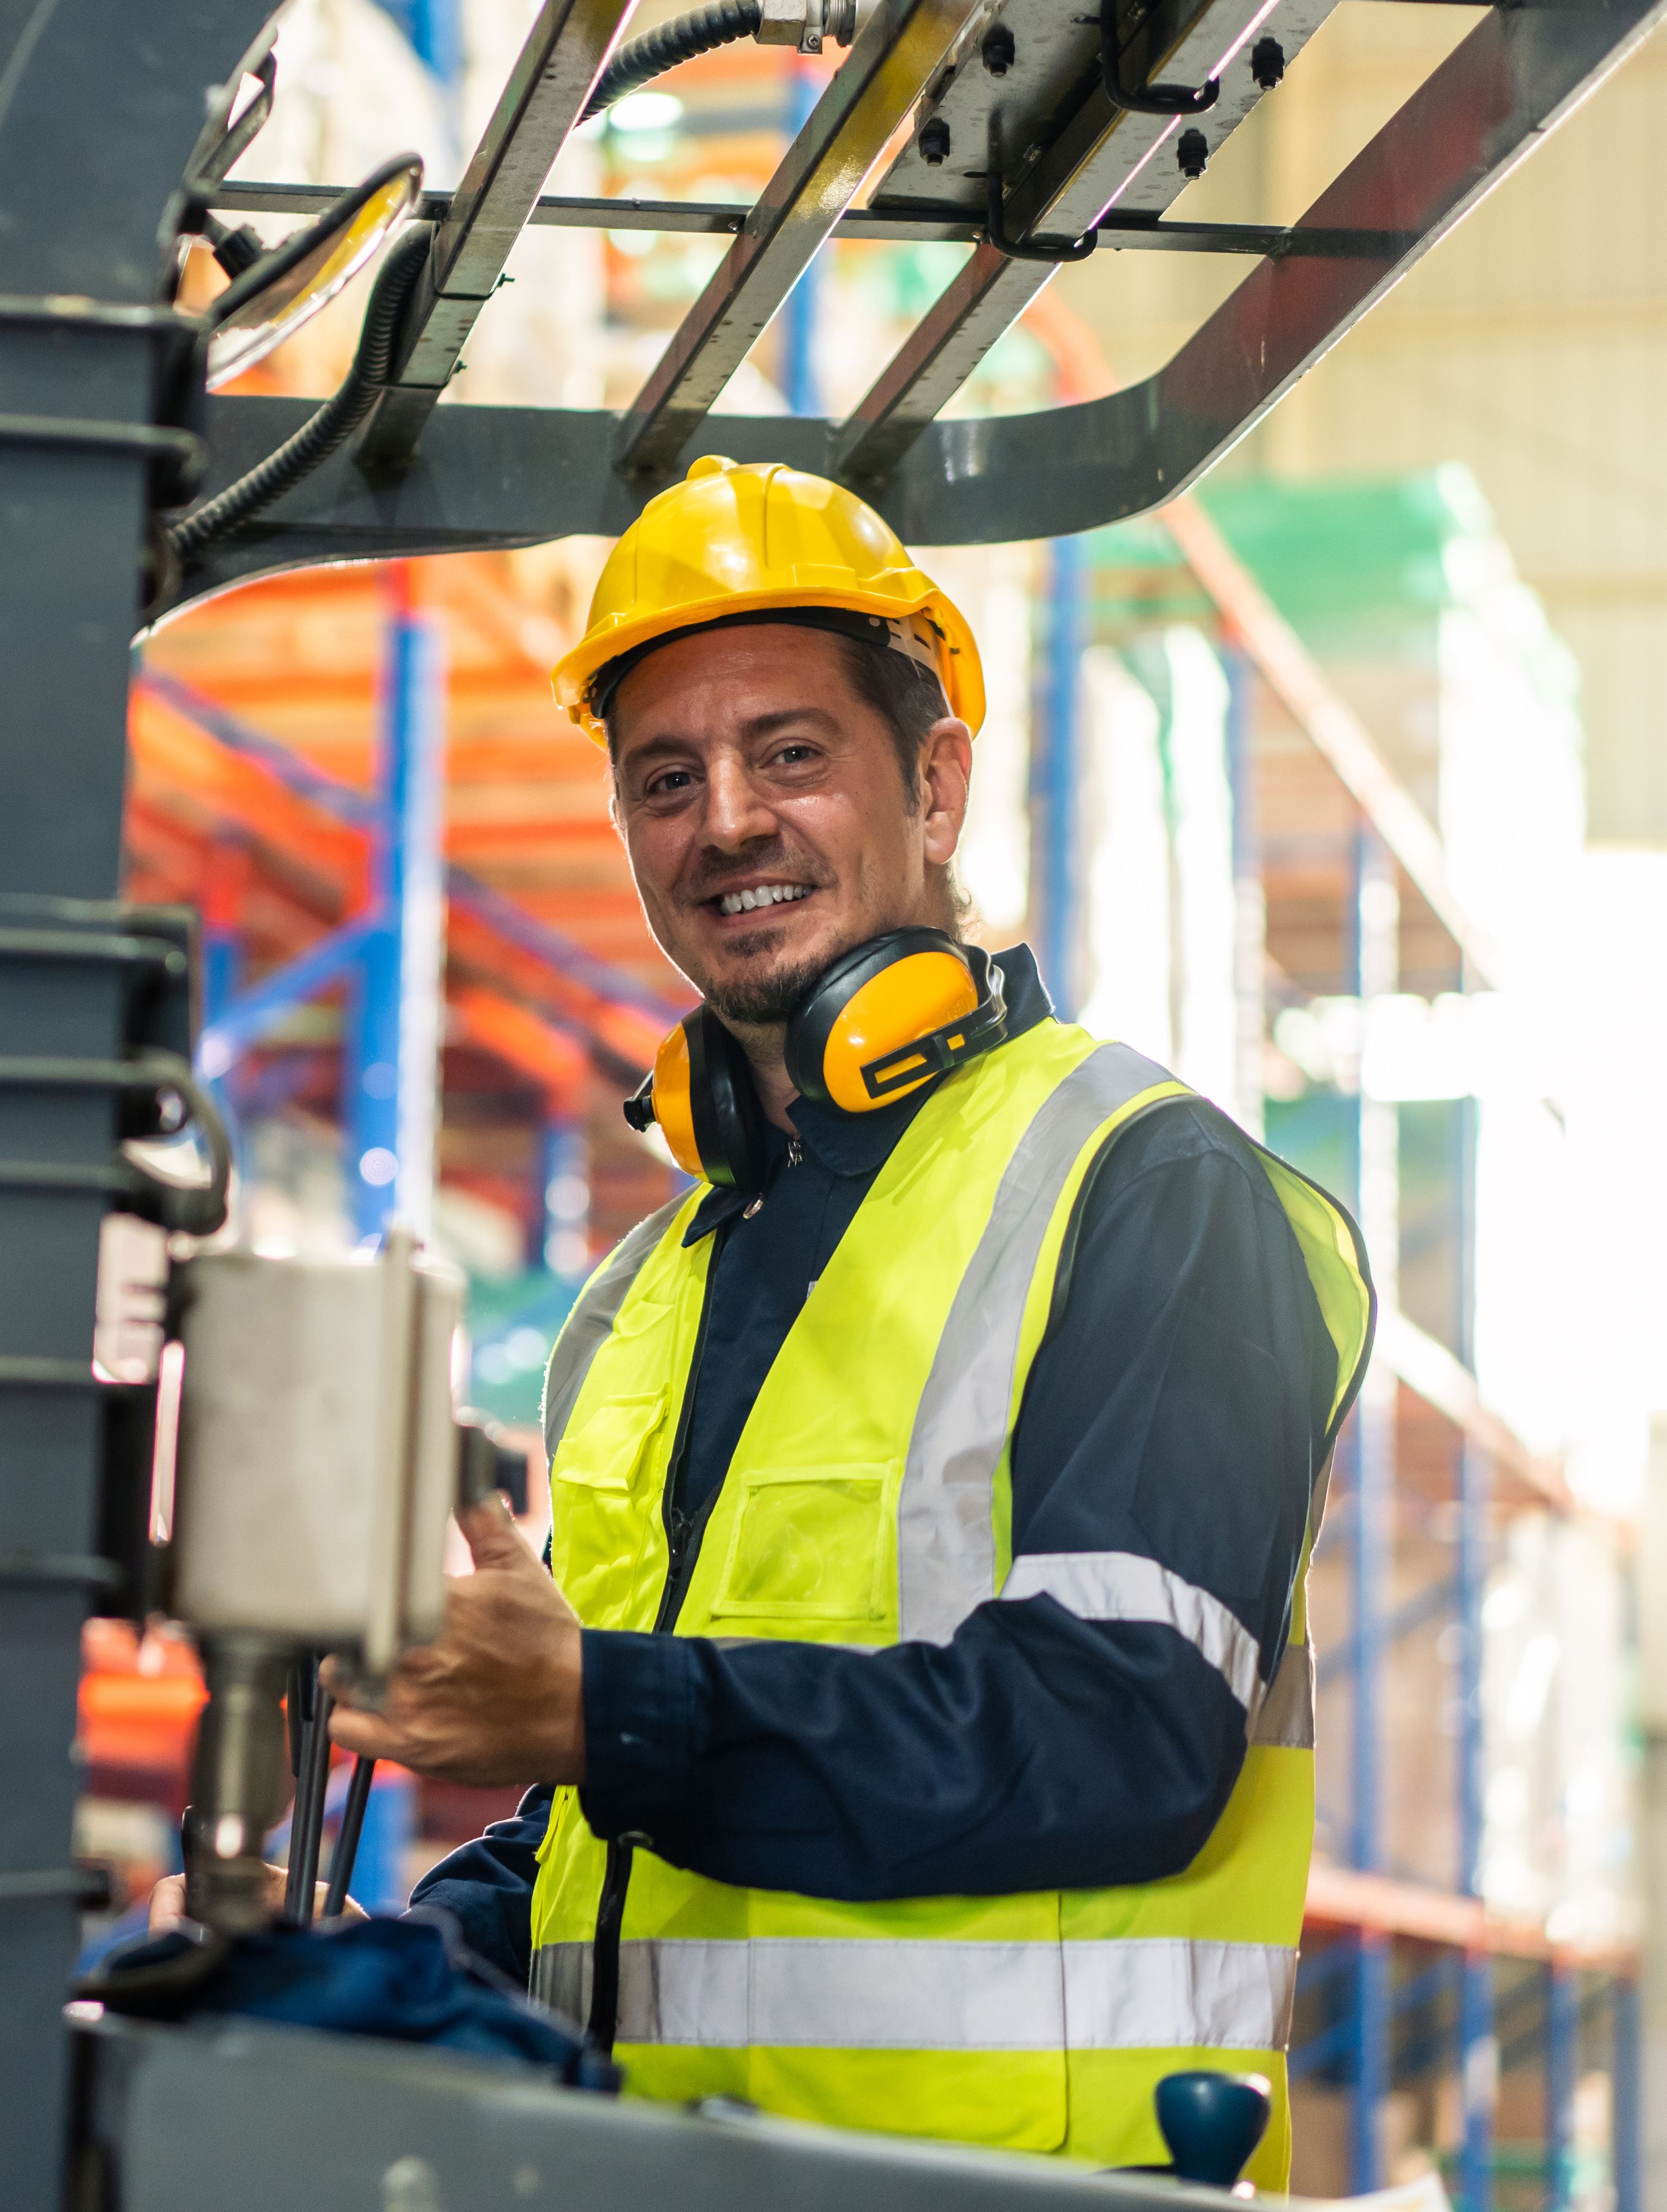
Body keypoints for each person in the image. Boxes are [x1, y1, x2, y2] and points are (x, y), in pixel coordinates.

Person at [324, 458, 1373, 2187]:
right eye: (667, 778)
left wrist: (597, 1711)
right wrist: (381, 1969)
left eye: (789, 754)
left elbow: (1119, 1733)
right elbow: (632, 1820)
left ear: (937, 782)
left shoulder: (1151, 1190)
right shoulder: (648, 1291)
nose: (725, 819)